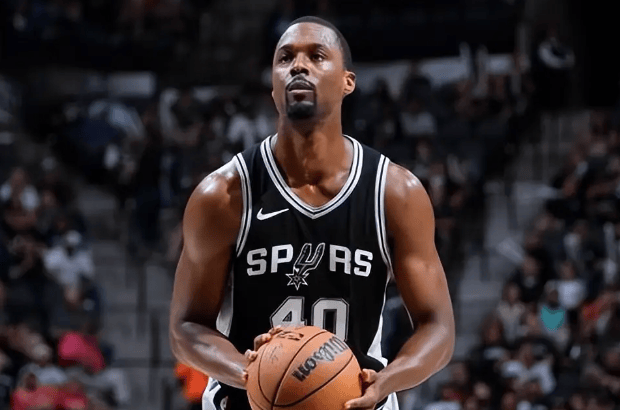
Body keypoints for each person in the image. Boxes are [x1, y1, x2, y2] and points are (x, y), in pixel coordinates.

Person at [169, 16, 455, 410]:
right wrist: (250, 372)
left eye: (317, 56)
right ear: (273, 86)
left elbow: (438, 327)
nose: (298, 66)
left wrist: (386, 380)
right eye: (285, 58)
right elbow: (185, 327)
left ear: (347, 81)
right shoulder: (223, 195)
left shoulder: (394, 193)